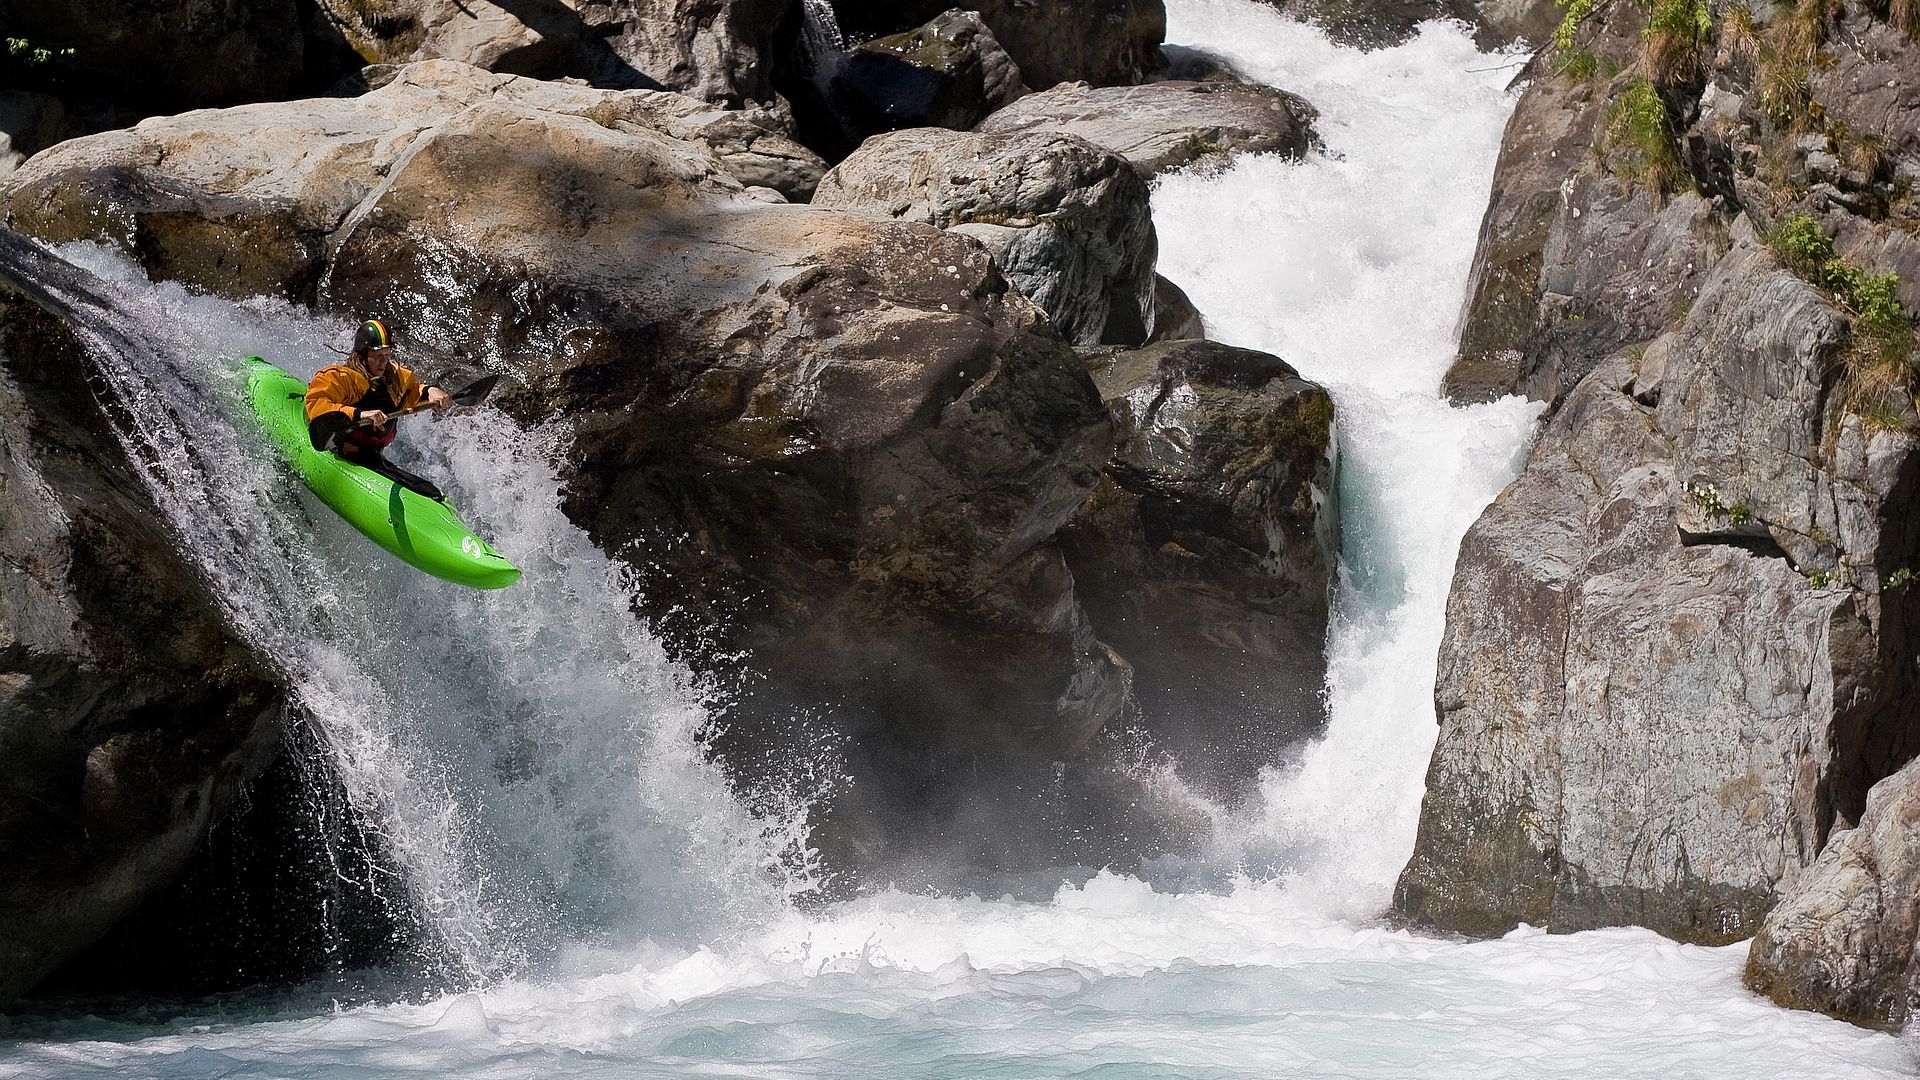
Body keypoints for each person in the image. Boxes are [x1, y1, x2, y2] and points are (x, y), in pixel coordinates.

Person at [304, 318, 452, 499]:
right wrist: (359, 414)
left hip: (373, 458)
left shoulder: (393, 380)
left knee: (432, 493)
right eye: (377, 355)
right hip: (341, 453)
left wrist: (430, 392)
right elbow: (318, 404)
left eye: (387, 355)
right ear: (363, 354)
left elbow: (412, 394)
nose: (383, 362)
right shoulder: (342, 379)